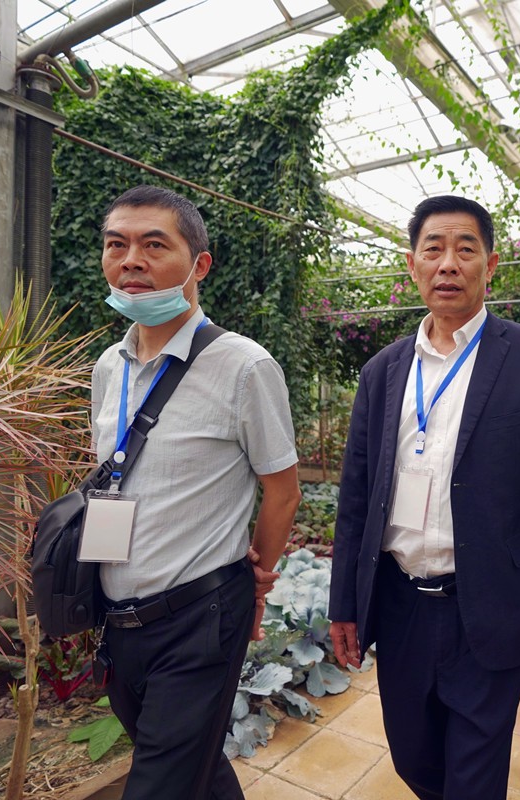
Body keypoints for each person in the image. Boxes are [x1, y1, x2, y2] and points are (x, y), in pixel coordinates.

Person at [328, 196, 520, 800]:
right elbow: (356, 496)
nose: (448, 263)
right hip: (401, 606)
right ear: (412, 264)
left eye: (465, 249)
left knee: (475, 776)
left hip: (490, 605)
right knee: (413, 759)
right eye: (433, 249)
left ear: (489, 265)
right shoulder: (382, 370)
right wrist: (345, 604)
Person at [91, 186, 301, 800]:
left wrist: (256, 578)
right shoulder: (108, 367)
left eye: (154, 245)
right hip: (116, 616)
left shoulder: (244, 366)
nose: (131, 260)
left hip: (199, 615)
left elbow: (282, 490)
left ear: (199, 264)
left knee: (160, 782)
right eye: (116, 245)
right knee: (195, 769)